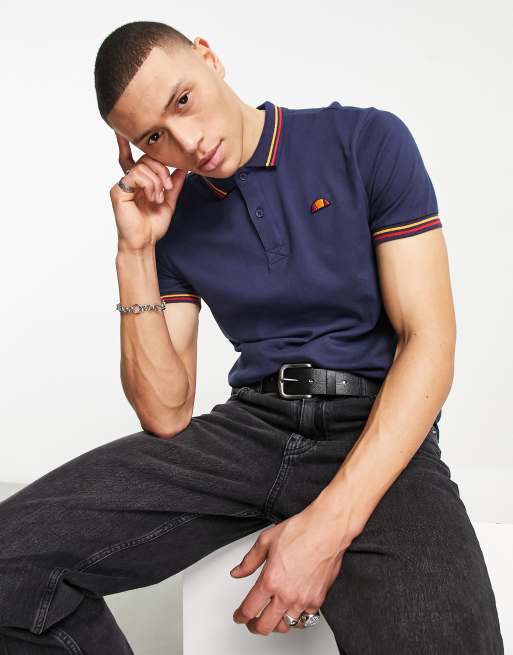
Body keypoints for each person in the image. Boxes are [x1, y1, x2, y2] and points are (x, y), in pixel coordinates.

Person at [0, 19, 504, 655]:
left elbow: (428, 341)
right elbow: (165, 412)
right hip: (250, 430)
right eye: (154, 137)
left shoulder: (365, 139)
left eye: (182, 100)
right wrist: (136, 253)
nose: (186, 142)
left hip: (373, 423)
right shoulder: (172, 216)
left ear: (209, 57)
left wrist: (324, 531)